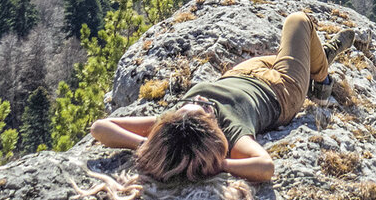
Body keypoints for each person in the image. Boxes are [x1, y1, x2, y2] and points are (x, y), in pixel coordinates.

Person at [89, 11, 354, 184]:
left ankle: (315, 62)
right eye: (204, 111)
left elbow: (100, 128)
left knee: (297, 52)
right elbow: (265, 167)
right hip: (283, 90)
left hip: (243, 73)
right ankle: (320, 83)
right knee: (298, 22)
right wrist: (217, 162)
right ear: (213, 131)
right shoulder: (232, 132)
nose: (199, 102)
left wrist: (151, 146)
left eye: (189, 107)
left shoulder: (173, 128)